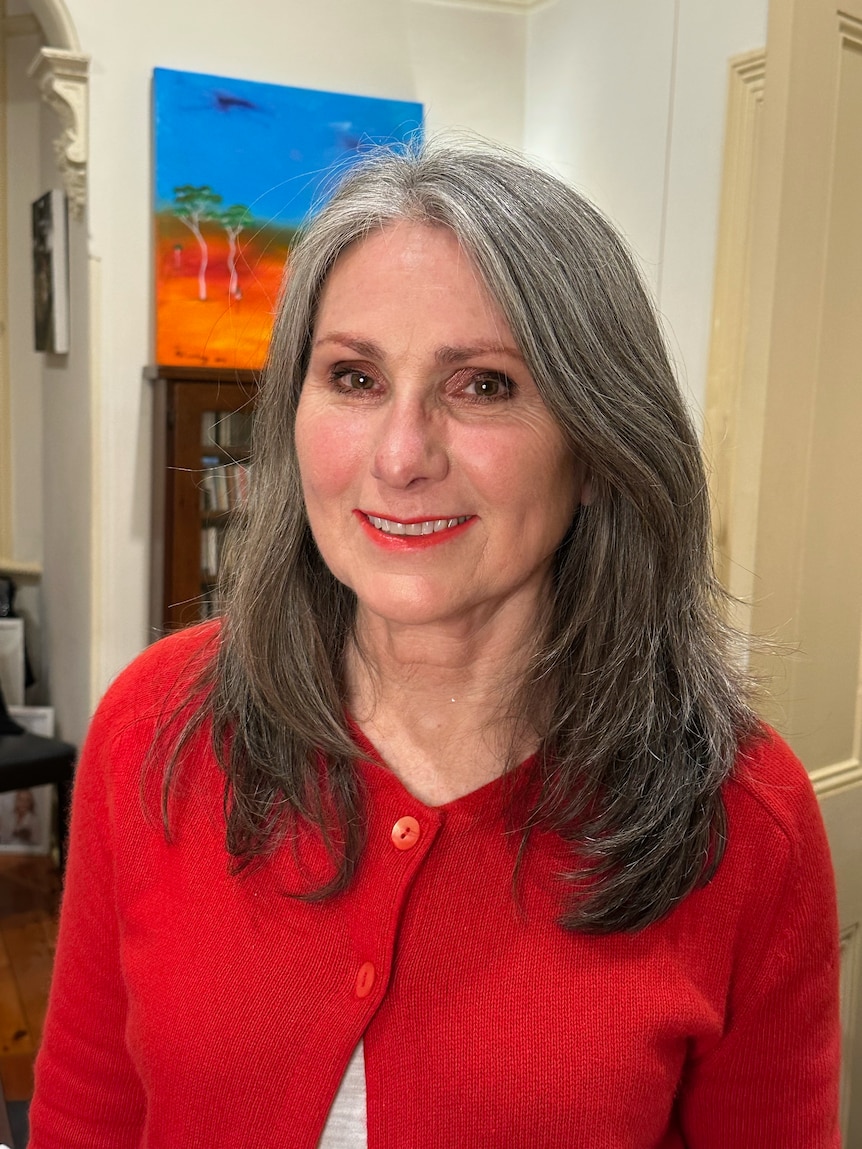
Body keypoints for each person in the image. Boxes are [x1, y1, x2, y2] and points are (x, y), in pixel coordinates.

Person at [29, 142, 840, 1148]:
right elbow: (85, 1117)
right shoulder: (157, 724)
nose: (401, 455)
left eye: (484, 386)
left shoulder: (742, 819)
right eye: (355, 376)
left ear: (597, 446)